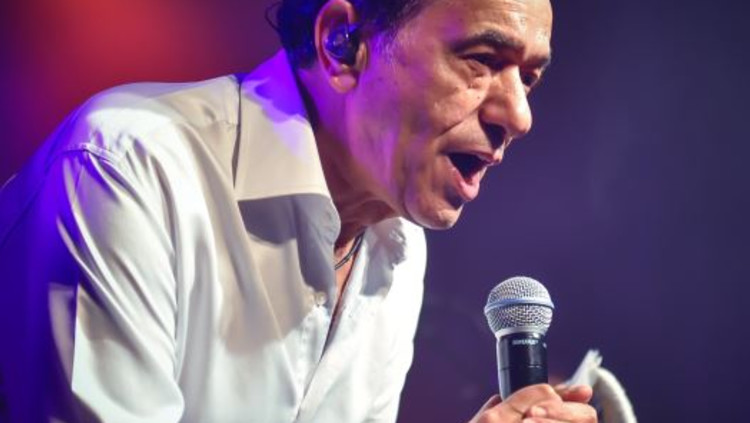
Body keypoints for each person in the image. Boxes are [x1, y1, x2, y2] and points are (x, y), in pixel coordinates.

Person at [0, 0, 596, 421]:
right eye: (482, 59)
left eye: (529, 78)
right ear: (342, 43)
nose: (520, 116)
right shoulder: (127, 171)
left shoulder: (397, 246)